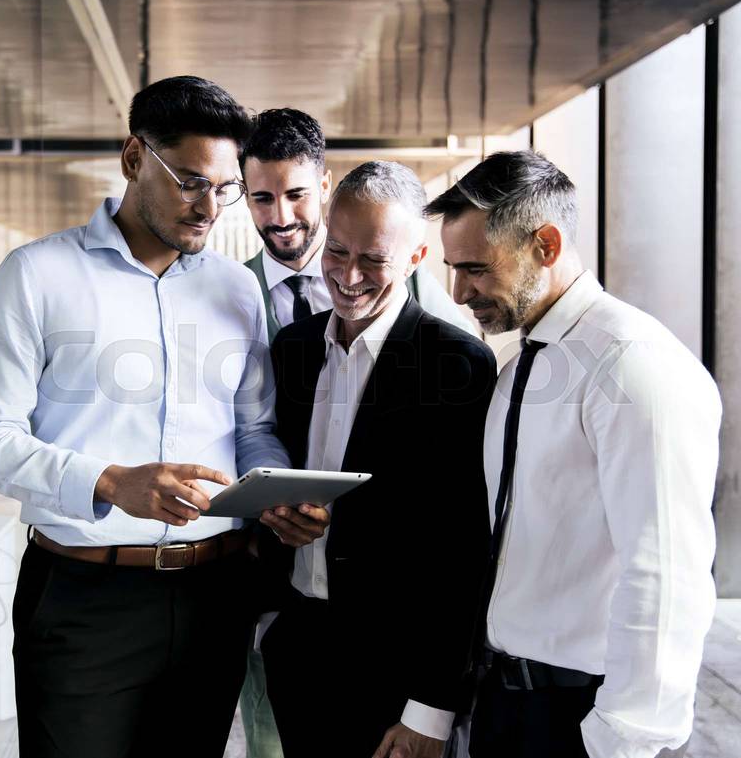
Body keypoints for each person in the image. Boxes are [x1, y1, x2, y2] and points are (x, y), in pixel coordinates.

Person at [0, 75, 327, 758]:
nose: (208, 207)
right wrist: (108, 480)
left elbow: (252, 428)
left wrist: (277, 490)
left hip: (216, 593)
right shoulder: (36, 276)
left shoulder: (237, 288)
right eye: (189, 181)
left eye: (224, 189)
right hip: (84, 597)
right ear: (134, 159)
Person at [427, 150, 721, 758]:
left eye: (475, 268)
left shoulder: (632, 362)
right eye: (453, 269)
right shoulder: (522, 366)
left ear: (547, 245)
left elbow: (667, 573)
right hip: (504, 703)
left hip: (581, 717)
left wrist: (622, 741)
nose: (459, 293)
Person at [237, 107, 478, 758]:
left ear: (417, 255)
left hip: (397, 671)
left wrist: (432, 706)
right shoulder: (292, 347)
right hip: (299, 648)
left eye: (372, 259)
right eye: (336, 252)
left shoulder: (456, 363)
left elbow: (463, 548)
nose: (345, 276)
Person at [241, 107, 477, 340]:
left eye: (296, 195)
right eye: (263, 198)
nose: (282, 218)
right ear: (246, 197)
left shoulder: (401, 274)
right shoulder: (236, 288)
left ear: (324, 188)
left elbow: (466, 356)